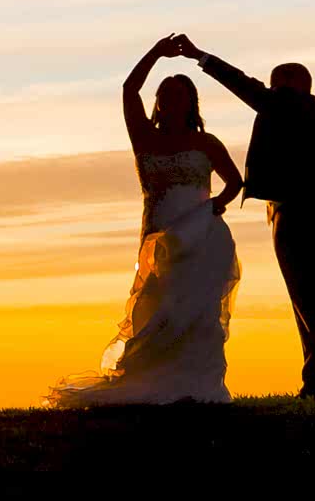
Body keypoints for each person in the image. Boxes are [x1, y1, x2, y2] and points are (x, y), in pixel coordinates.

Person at [152, 31, 315, 398]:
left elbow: (245, 86)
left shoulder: (289, 105)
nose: (272, 92)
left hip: (300, 213)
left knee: (311, 298)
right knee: (309, 298)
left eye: (276, 85)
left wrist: (200, 57)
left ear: (288, 84)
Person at [47, 64, 244, 406]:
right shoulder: (145, 137)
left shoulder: (205, 142)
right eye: (164, 96)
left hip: (201, 235)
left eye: (178, 96)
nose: (170, 102)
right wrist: (157, 52)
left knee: (198, 310)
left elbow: (236, 182)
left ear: (191, 103)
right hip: (159, 232)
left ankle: (198, 385)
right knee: (159, 305)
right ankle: (152, 379)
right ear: (157, 103)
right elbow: (128, 89)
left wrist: (214, 208)